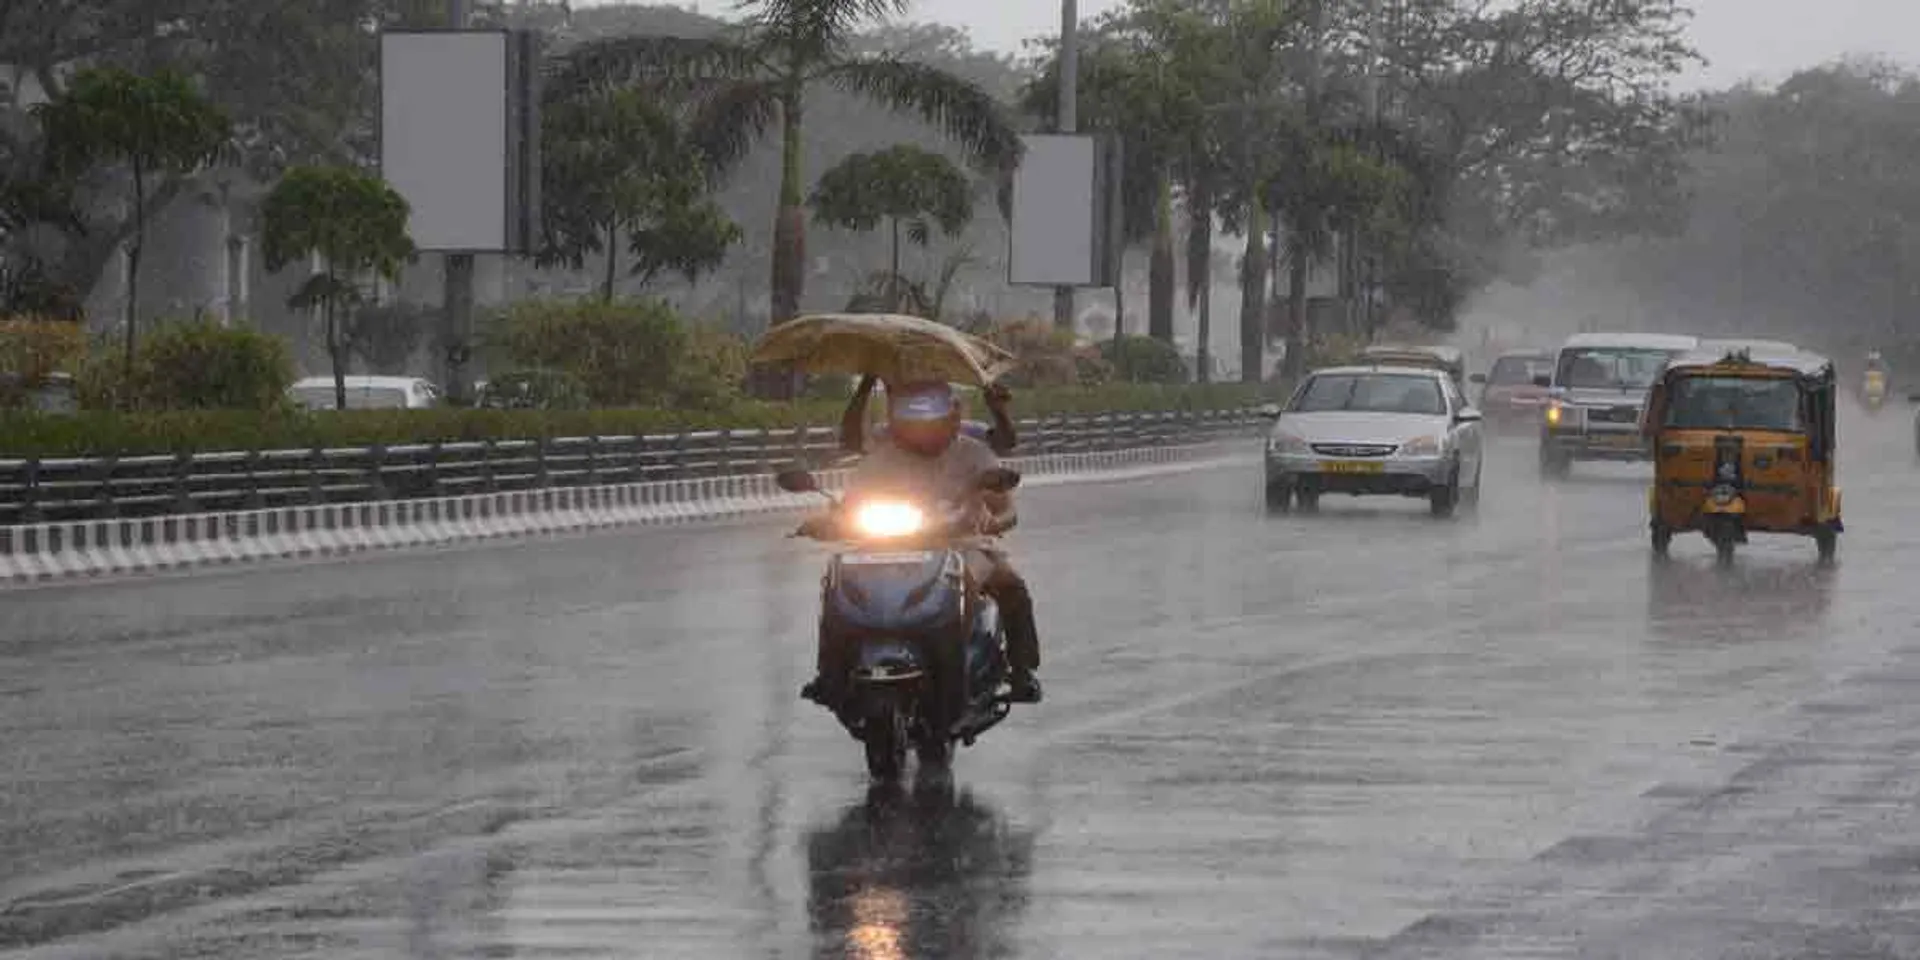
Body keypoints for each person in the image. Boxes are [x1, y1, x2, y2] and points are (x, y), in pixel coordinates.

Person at [802, 380, 1044, 712]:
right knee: (836, 583)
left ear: (953, 420)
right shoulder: (880, 459)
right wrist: (826, 521)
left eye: (931, 423)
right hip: (885, 547)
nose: (922, 432)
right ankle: (829, 674)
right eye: (913, 424)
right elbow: (850, 505)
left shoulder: (974, 453)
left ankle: (1022, 670)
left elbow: (1007, 510)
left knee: (1010, 584)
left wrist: (995, 522)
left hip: (962, 545)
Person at [840, 374, 1017, 456]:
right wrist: (867, 381)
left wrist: (999, 410)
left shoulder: (965, 432)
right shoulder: (887, 435)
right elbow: (851, 441)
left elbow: (1005, 442)